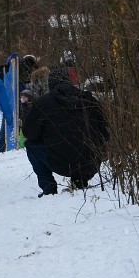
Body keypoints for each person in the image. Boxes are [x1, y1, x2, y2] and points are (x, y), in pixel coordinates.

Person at [22, 67, 110, 195]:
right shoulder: (89, 99)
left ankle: (48, 187)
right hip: (90, 162)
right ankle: (80, 181)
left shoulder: (43, 103)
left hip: (59, 162)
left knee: (31, 145)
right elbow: (104, 131)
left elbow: (29, 133)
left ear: (50, 84)